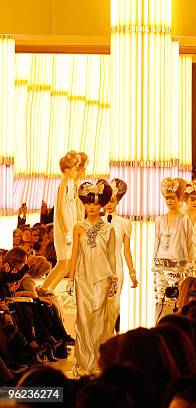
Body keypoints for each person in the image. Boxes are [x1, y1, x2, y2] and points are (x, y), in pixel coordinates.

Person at [67, 180, 117, 375]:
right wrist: (70, 279)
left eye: (96, 203)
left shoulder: (109, 228)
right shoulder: (78, 227)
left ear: (102, 205)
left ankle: (96, 360)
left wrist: (114, 279)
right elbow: (74, 255)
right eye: (89, 203)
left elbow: (112, 255)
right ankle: (81, 361)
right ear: (84, 204)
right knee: (83, 319)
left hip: (103, 277)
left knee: (99, 319)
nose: (92, 207)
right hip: (82, 277)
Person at [153, 178, 191, 320]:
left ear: (178, 198)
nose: (169, 201)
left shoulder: (184, 219)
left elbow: (188, 243)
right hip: (160, 264)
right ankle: (159, 326)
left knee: (174, 299)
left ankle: (173, 326)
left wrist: (187, 264)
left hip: (177, 265)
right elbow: (156, 241)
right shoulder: (159, 219)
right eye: (167, 198)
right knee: (159, 300)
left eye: (172, 198)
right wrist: (154, 262)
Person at [42, 150, 80, 292]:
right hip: (64, 226)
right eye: (75, 169)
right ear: (67, 170)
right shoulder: (63, 183)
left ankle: (47, 288)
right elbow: (60, 209)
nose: (76, 171)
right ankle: (48, 288)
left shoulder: (70, 183)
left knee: (65, 262)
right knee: (65, 261)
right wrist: (67, 232)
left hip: (70, 224)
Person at [104, 178, 138, 333]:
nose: (110, 204)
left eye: (113, 201)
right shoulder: (96, 221)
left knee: (115, 302)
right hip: (99, 266)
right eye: (108, 201)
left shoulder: (125, 223)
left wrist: (132, 273)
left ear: (118, 201)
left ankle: (112, 336)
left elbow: (127, 250)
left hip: (117, 266)